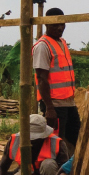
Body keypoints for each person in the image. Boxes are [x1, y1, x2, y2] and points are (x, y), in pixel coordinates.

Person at [33, 8, 80, 149]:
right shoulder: (43, 46)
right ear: (46, 24)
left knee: (75, 137)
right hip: (55, 104)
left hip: (68, 102)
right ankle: (50, 163)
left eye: (62, 24)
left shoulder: (61, 42)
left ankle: (69, 162)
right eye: (55, 25)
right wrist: (49, 108)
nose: (60, 28)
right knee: (55, 141)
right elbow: (41, 78)